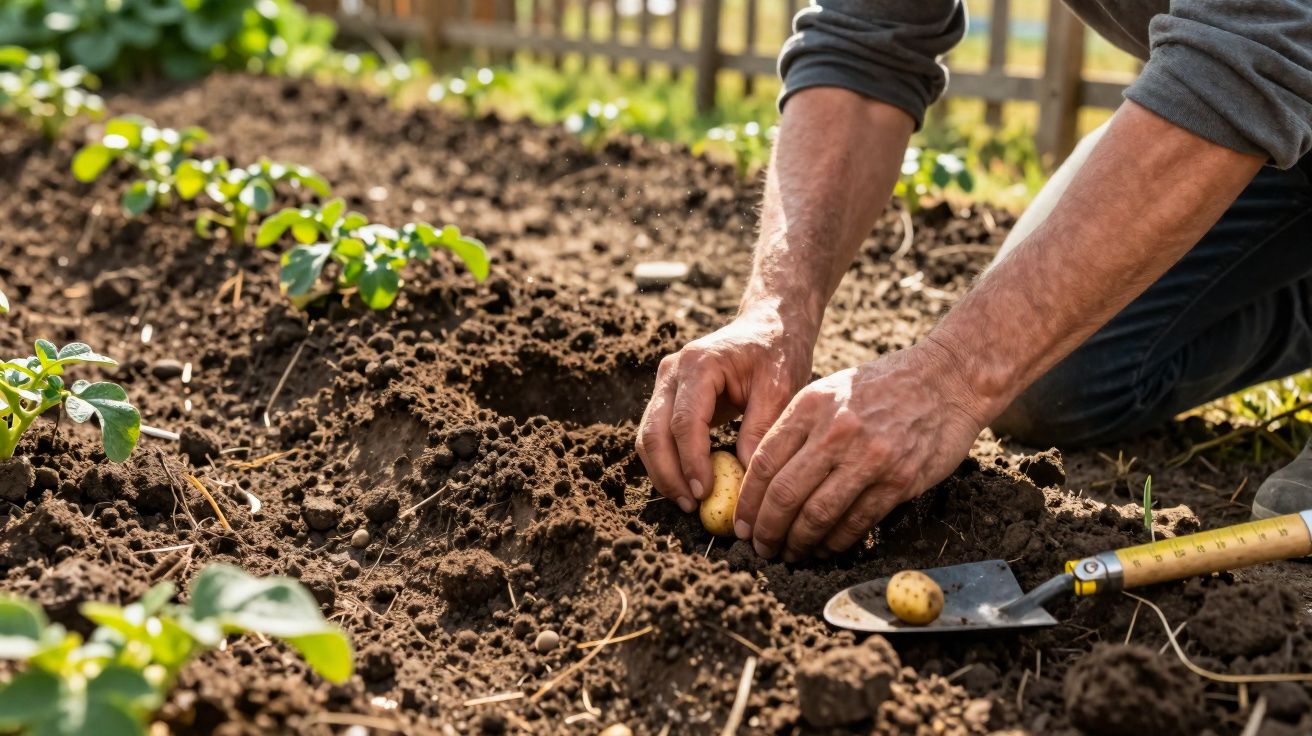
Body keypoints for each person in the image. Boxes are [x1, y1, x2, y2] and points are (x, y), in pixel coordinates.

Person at [635, 0, 1312, 562]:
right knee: (1053, 372)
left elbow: (1246, 45)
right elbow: (863, 43)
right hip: (1284, 96)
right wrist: (777, 312)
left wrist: (949, 376)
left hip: (1271, 58)